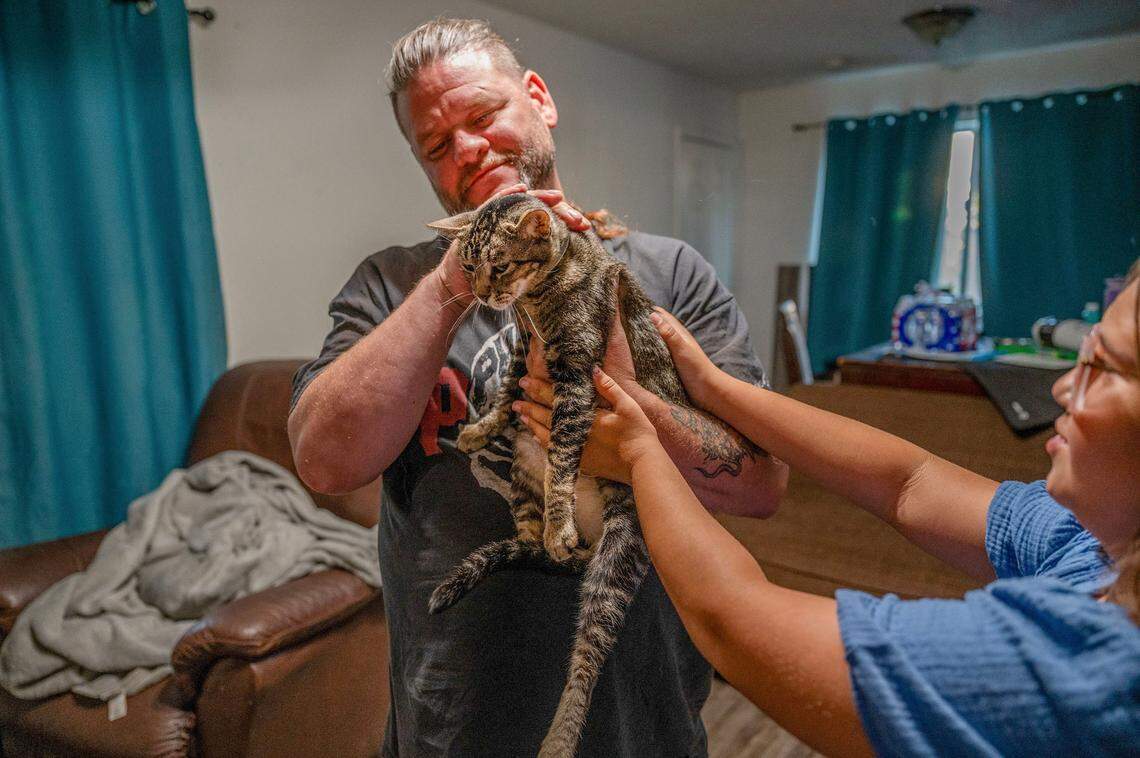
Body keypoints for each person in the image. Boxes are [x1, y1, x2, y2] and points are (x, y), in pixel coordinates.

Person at [286, 17, 788, 757]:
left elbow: (761, 485)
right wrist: (460, 275)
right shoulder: (393, 285)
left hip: (645, 718)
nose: (466, 149)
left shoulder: (671, 272)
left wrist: (639, 423)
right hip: (455, 725)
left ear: (539, 100)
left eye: (483, 116)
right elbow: (324, 461)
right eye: (435, 144)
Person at [515, 262, 1140, 756]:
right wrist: (713, 387)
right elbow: (910, 483)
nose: (1062, 386)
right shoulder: (1090, 542)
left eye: (1102, 367)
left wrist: (637, 454)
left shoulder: (1090, 665)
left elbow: (735, 620)